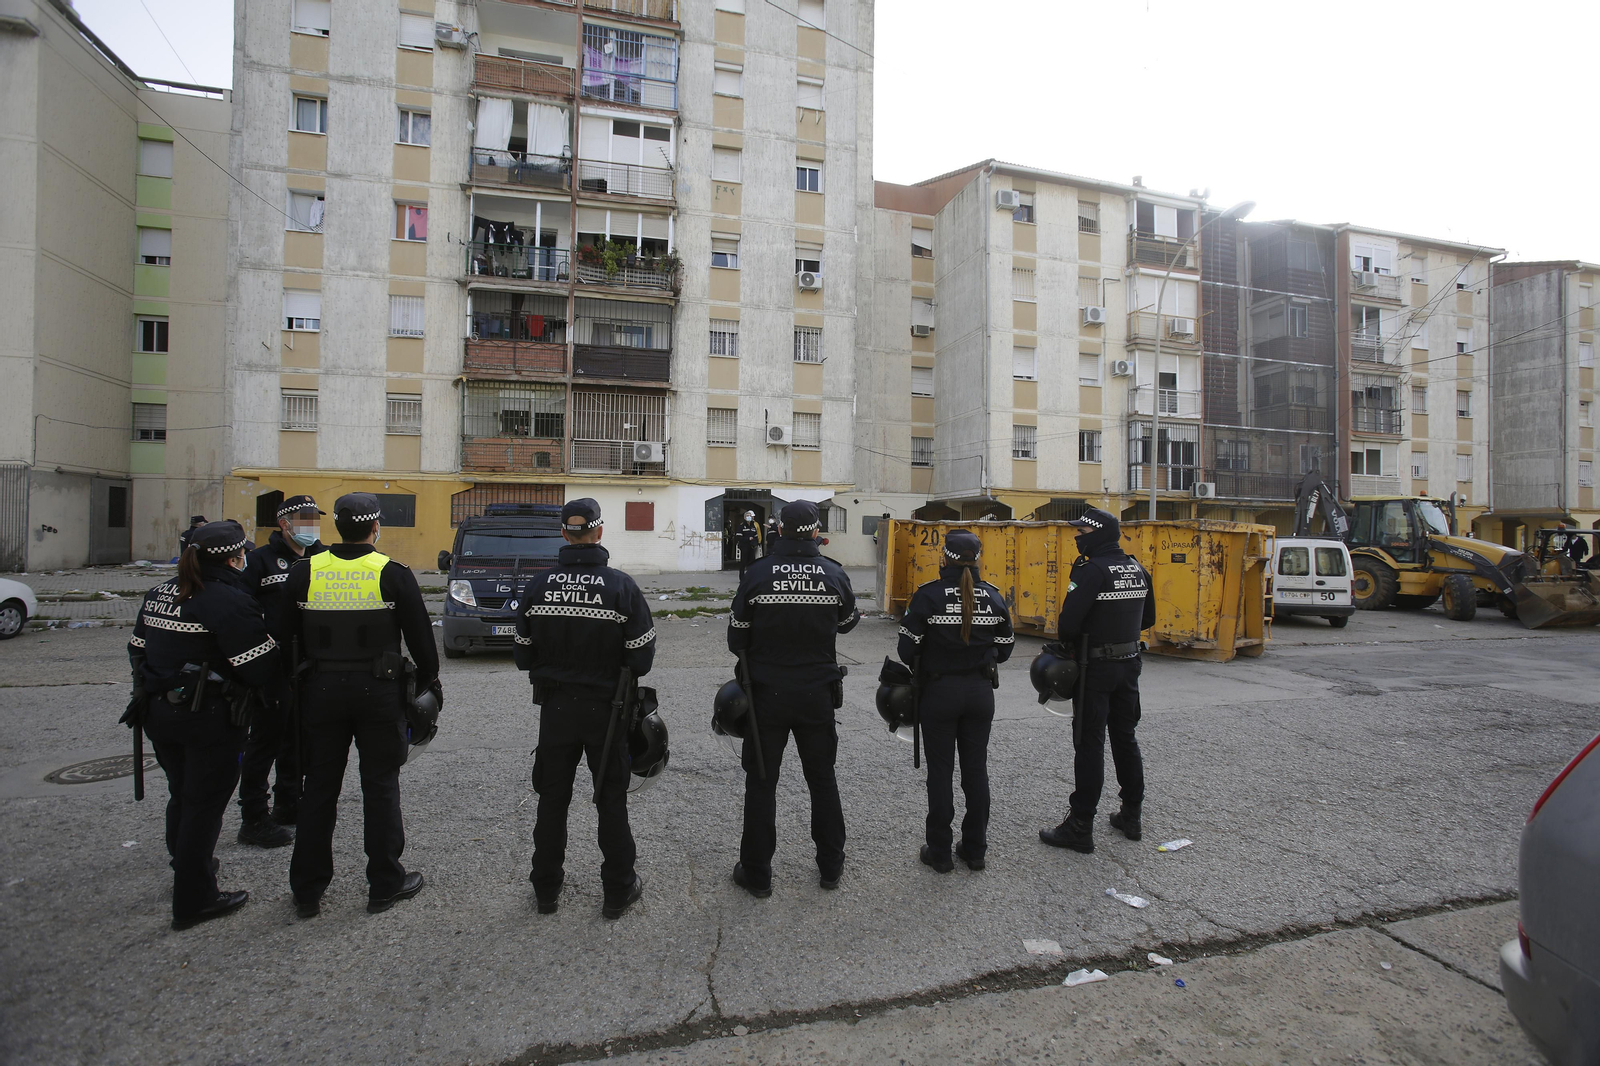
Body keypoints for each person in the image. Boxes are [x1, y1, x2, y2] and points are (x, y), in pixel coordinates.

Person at [281, 493, 440, 919]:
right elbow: (425, 649)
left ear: (335, 526)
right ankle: (384, 884)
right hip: (379, 693)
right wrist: (422, 685)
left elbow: (282, 637)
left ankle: (307, 890)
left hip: (320, 691)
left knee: (318, 788)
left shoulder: (305, 571)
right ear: (375, 528)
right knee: (381, 785)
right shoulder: (392, 573)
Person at [127, 521, 281, 930]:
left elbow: (136, 649)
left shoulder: (160, 593)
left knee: (181, 793)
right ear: (233, 559)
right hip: (209, 718)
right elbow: (258, 667)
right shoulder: (227, 601)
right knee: (204, 804)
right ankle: (194, 899)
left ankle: (185, 862)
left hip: (158, 711)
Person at [514, 498, 655, 919]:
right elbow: (641, 659)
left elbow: (522, 655)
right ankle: (618, 890)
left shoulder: (538, 586)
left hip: (556, 708)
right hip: (607, 710)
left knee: (551, 799)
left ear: (563, 533)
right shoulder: (621, 587)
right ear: (599, 532)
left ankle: (546, 891)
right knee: (610, 799)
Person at [727, 500, 859, 896]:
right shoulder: (833, 573)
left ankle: (757, 875)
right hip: (817, 694)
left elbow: (736, 638)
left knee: (761, 784)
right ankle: (831, 867)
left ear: (778, 530)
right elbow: (848, 623)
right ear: (816, 532)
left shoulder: (757, 573)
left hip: (766, 695)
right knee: (822, 780)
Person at [1039, 506, 1155, 855]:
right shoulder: (1137, 568)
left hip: (1097, 668)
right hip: (1129, 664)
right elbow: (1148, 618)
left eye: (1083, 532)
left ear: (1099, 535)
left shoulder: (1092, 571)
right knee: (1125, 738)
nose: (1077, 537)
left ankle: (1080, 826)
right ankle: (1131, 815)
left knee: (1089, 743)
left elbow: (1068, 625)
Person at [897, 531, 1014, 873]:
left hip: (939, 693)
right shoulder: (993, 596)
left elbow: (906, 650)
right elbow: (1005, 648)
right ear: (977, 559)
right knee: (976, 772)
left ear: (943, 558)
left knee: (940, 773)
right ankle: (975, 850)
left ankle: (940, 852)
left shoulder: (928, 595)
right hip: (979, 693)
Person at [235, 495, 326, 845]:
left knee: (300, 739)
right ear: (284, 524)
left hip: (310, 665)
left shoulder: (321, 557)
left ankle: (289, 802)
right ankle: (254, 816)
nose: (311, 526)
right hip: (273, 666)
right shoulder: (260, 561)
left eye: (315, 518)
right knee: (265, 741)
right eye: (304, 519)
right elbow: (241, 610)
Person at [735, 511, 762, 576]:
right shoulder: (741, 526)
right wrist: (748, 539)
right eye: (747, 516)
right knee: (743, 562)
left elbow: (756, 536)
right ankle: (742, 577)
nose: (749, 517)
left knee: (752, 562)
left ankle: (750, 576)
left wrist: (755, 543)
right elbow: (738, 537)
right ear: (744, 517)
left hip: (751, 547)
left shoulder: (753, 526)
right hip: (744, 546)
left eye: (750, 516)